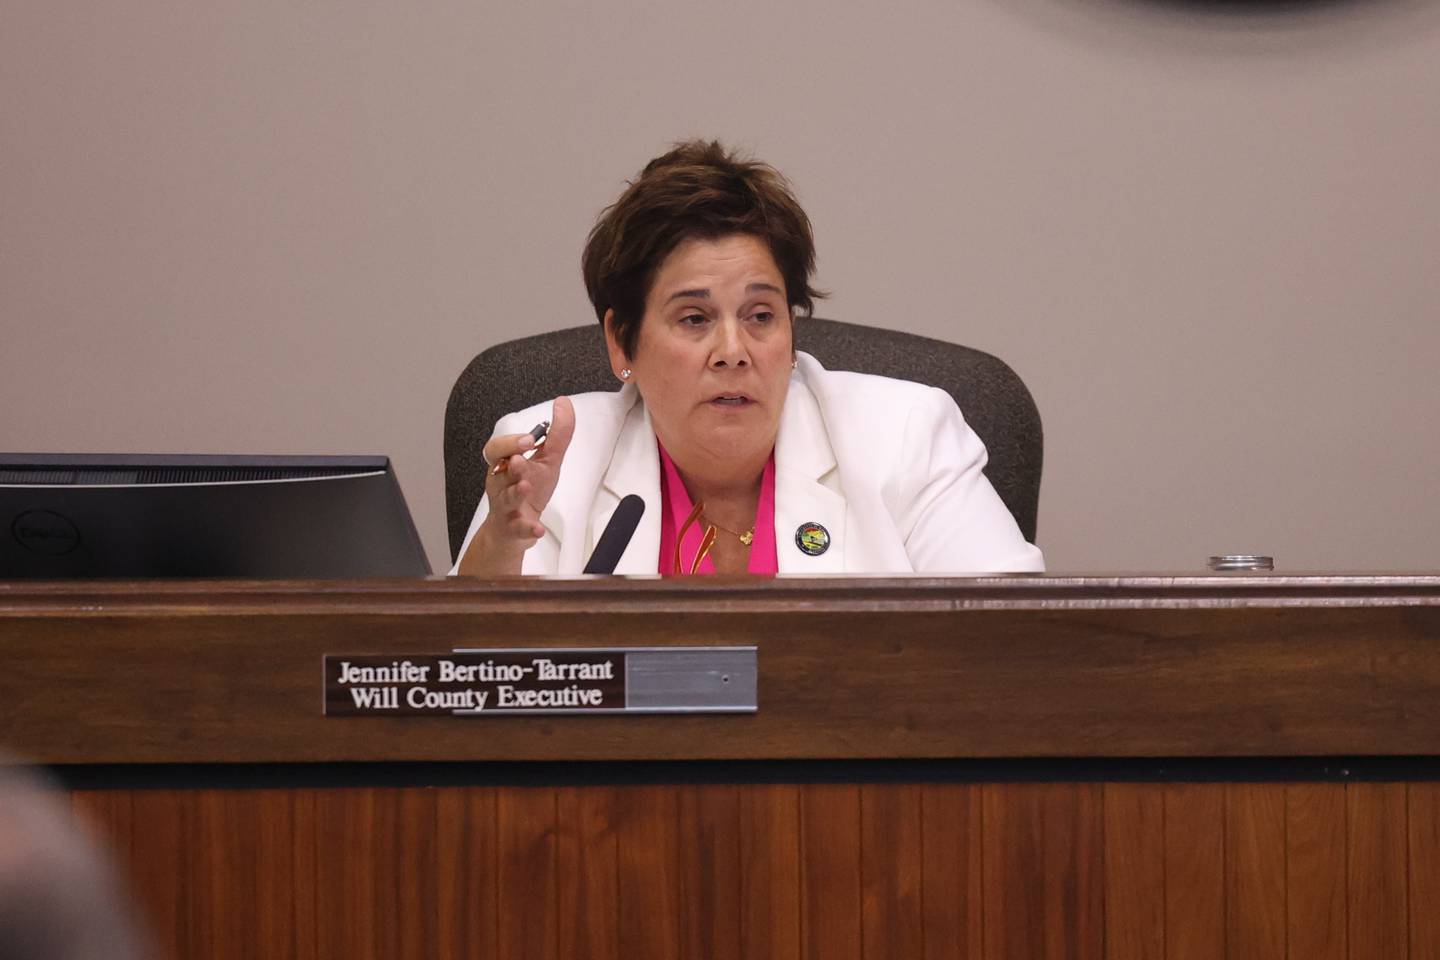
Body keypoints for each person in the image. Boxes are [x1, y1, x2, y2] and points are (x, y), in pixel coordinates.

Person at [455, 140, 1044, 576]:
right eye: (694, 319)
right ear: (621, 340)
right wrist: (502, 547)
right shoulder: (558, 461)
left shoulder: (905, 438)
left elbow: (1015, 645)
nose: (733, 353)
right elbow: (475, 679)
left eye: (761, 316)